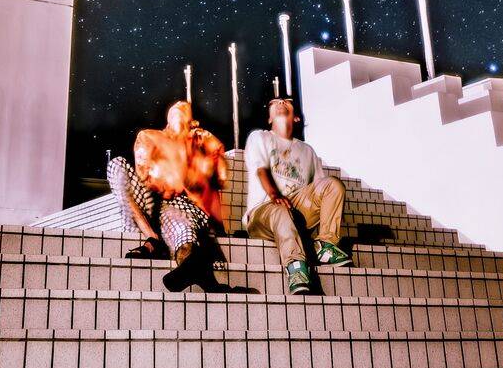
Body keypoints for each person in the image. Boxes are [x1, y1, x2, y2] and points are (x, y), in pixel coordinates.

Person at [107, 100, 228, 291]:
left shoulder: (195, 143)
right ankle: (153, 238)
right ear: (168, 119)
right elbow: (143, 170)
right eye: (177, 107)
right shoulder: (150, 135)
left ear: (191, 122)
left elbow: (218, 176)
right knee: (117, 164)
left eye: (185, 109)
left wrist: (206, 148)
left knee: (182, 226)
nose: (181, 106)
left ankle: (191, 266)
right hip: (150, 199)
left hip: (176, 206)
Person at [243, 96, 349, 293]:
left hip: (296, 208)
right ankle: (297, 268)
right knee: (280, 210)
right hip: (263, 212)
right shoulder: (260, 137)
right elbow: (260, 169)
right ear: (269, 118)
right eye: (274, 102)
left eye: (287, 100)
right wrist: (274, 194)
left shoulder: (308, 151)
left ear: (297, 118)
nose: (281, 102)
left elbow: (319, 189)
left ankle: (325, 244)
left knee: (333, 185)